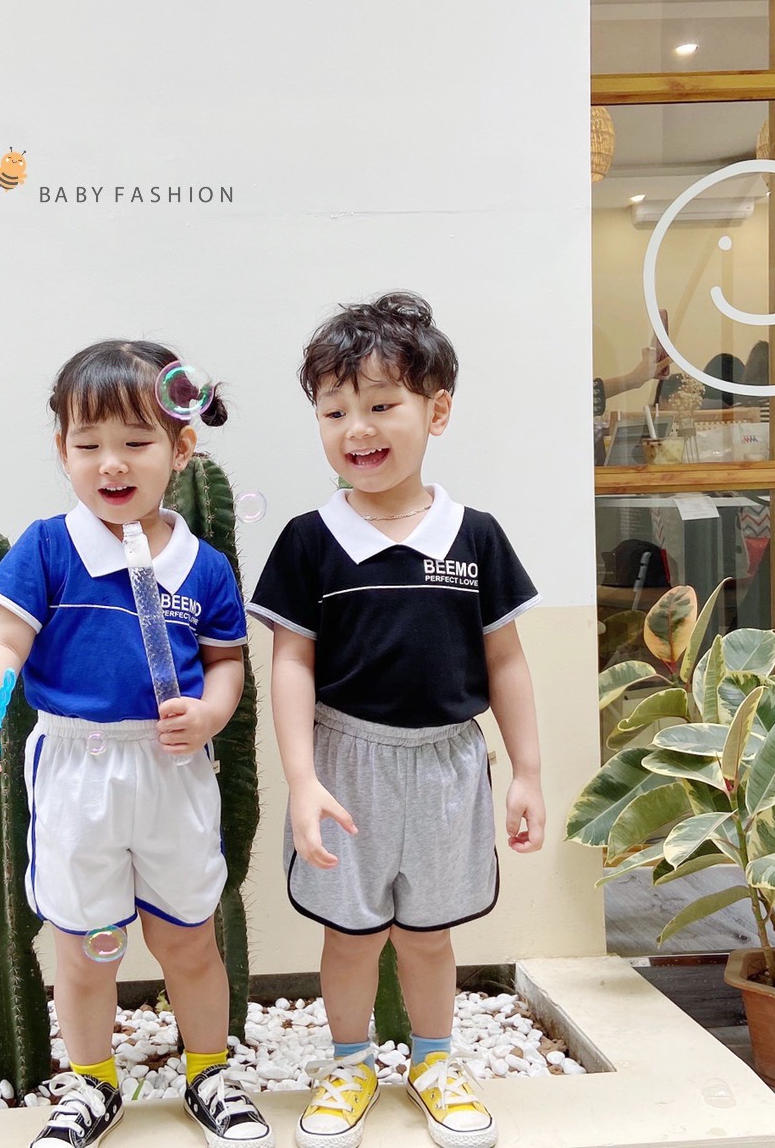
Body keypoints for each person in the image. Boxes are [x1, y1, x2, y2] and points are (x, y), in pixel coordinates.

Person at [0, 340, 272, 1148]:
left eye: (136, 441)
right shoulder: (48, 548)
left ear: (181, 449)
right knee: (84, 950)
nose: (111, 463)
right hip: (77, 772)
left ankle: (209, 1074)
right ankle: (92, 1085)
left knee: (190, 940)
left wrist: (211, 715)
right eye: (88, 444)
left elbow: (227, 663)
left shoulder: (203, 566)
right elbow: (1, 645)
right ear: (63, 451)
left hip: (174, 771)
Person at [249, 293, 544, 1148]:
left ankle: (434, 1062)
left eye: (381, 405)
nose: (358, 428)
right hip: (348, 766)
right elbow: (292, 663)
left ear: (436, 411)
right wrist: (303, 780)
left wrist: (527, 772)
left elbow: (507, 661)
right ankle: (349, 1065)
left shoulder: (474, 536)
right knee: (351, 936)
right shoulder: (310, 540)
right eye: (334, 411)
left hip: (448, 765)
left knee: (426, 936)